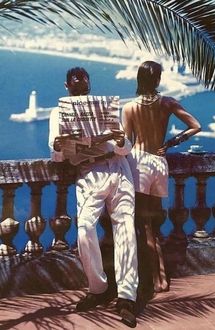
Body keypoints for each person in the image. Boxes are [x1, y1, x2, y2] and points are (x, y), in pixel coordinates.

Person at [48, 67, 138, 328]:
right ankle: (98, 287)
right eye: (76, 87)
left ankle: (127, 296)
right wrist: (59, 144)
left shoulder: (106, 109)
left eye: (84, 86)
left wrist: (121, 140)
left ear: (89, 85)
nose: (81, 90)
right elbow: (57, 154)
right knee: (85, 228)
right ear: (67, 88)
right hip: (89, 173)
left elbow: (125, 148)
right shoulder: (58, 113)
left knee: (126, 232)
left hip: (118, 170)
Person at [122, 60, 201, 297]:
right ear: (156, 80)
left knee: (143, 224)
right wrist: (172, 142)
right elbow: (195, 125)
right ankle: (161, 276)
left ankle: (155, 279)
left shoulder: (129, 108)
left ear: (139, 79)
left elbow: (126, 144)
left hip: (139, 163)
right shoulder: (167, 103)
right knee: (154, 223)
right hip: (159, 163)